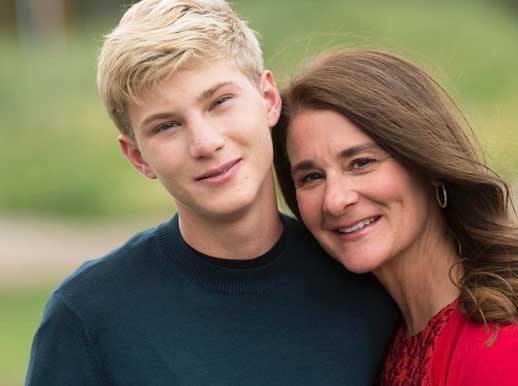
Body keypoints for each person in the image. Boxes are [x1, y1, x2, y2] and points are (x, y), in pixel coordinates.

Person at [25, 2, 398, 386]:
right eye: (167, 126)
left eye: (219, 102)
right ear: (138, 157)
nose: (205, 143)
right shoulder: (87, 316)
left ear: (268, 99)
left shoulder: (368, 283)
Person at [273, 48, 518, 385]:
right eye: (311, 177)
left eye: (361, 162)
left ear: (427, 164)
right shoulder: (382, 341)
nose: (335, 200)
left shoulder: (504, 345)